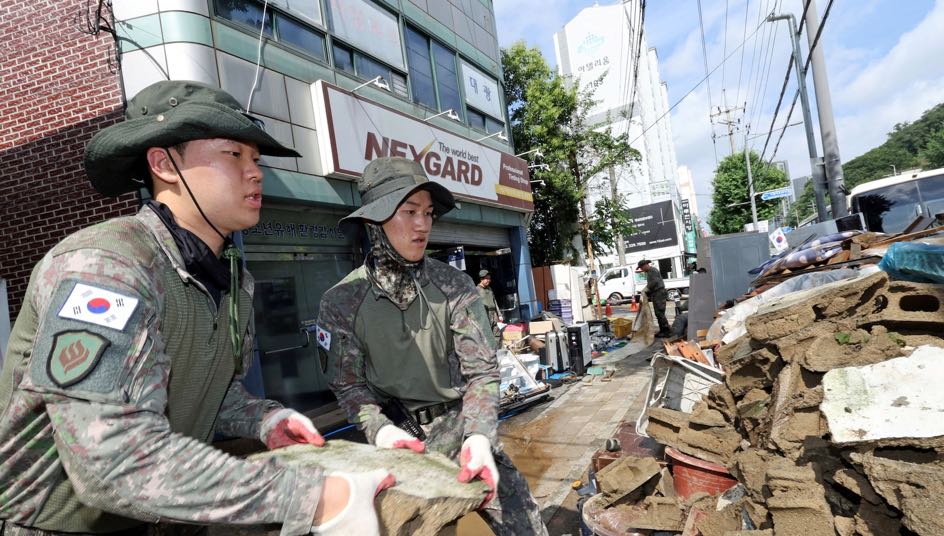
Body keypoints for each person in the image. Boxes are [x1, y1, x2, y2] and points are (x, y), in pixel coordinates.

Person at [0, 80, 391, 535]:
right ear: (164, 164)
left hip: (176, 518)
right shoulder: (105, 266)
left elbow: (207, 388)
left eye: (256, 159)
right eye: (233, 155)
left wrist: (266, 418)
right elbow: (110, 461)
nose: (255, 172)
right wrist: (313, 497)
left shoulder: (229, 277)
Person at [317, 157, 548, 535]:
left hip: (463, 426)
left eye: (427, 213)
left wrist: (478, 436)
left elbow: (483, 372)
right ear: (375, 220)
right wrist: (381, 431)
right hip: (402, 444)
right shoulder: (342, 301)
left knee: (526, 525)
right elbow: (348, 386)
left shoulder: (454, 286)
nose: (423, 224)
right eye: (409, 212)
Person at [637, 259, 671, 337]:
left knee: (660, 313)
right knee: (658, 313)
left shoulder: (652, 271)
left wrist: (646, 288)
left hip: (659, 293)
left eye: (641, 268)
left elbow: (654, 282)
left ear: (645, 265)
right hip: (656, 293)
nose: (641, 270)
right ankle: (663, 330)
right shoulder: (650, 272)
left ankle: (666, 331)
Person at [477, 269, 503, 337]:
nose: (489, 280)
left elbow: (494, 301)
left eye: (489, 278)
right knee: (487, 335)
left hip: (494, 314)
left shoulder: (490, 289)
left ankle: (497, 347)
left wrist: (499, 314)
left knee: (497, 334)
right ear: (481, 279)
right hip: (485, 315)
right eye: (487, 279)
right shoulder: (477, 290)